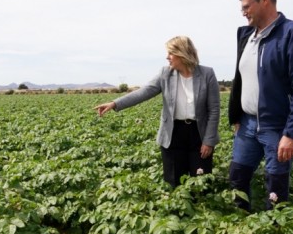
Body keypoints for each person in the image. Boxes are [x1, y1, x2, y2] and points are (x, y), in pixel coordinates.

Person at [227, 0, 293, 211]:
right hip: (247, 124)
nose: (243, 13)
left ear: (264, 0)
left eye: (246, 7)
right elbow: (240, 80)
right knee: (237, 176)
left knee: (275, 185)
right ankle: (241, 224)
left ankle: (275, 230)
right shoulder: (247, 36)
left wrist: (292, 133)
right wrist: (236, 114)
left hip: (277, 126)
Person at [94, 36, 220, 188]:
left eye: (170, 53)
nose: (167, 57)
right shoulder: (165, 74)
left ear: (182, 53)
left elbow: (214, 110)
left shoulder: (207, 74)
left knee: (201, 183)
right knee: (174, 182)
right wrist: (115, 103)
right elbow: (143, 92)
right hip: (173, 133)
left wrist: (209, 140)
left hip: (198, 134)